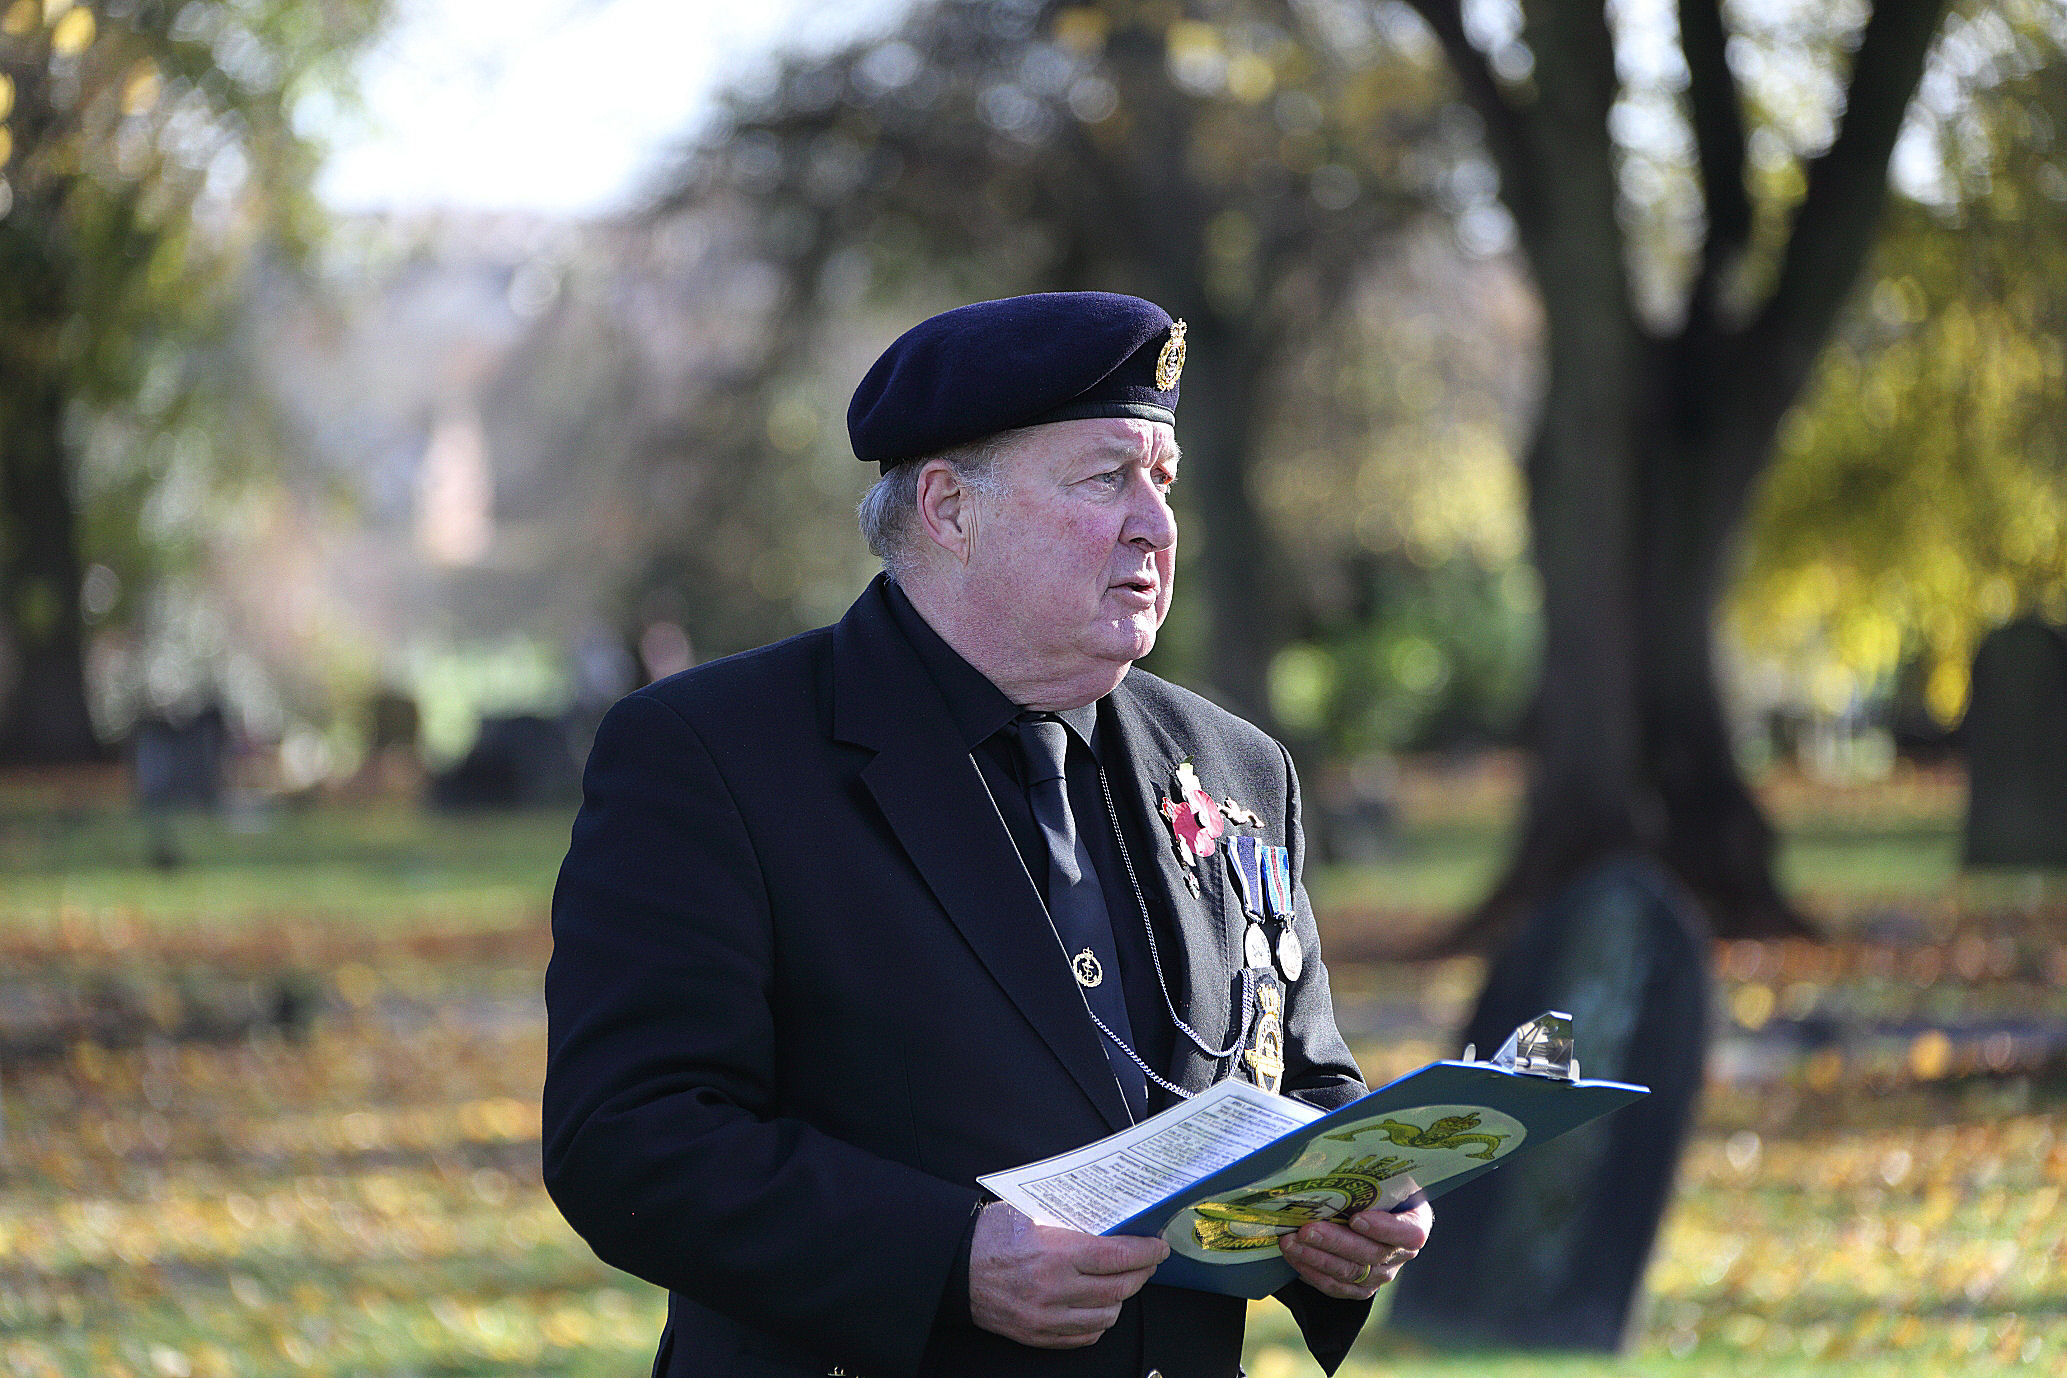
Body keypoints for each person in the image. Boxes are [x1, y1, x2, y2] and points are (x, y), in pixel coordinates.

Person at [543, 292, 1432, 1378]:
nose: (1156, 525)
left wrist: (1355, 1207)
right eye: (1106, 478)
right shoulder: (716, 753)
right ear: (950, 509)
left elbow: (1299, 1073)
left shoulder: (1237, 764)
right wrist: (948, 1259)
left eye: (1163, 480)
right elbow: (628, 1137)